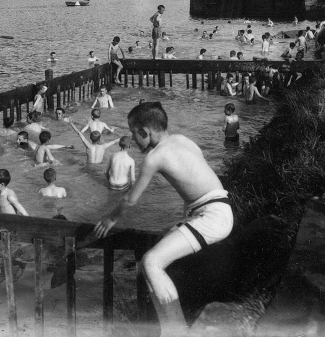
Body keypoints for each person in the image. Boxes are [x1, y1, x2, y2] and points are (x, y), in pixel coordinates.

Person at [93, 102, 233, 335]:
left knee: (151, 262)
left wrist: (110, 219)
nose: (133, 139)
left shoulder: (154, 157)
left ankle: (176, 331)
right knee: (152, 261)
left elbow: (130, 199)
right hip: (217, 209)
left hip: (212, 216)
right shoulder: (182, 140)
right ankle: (164, 324)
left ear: (145, 132)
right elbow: (195, 182)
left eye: (133, 133)